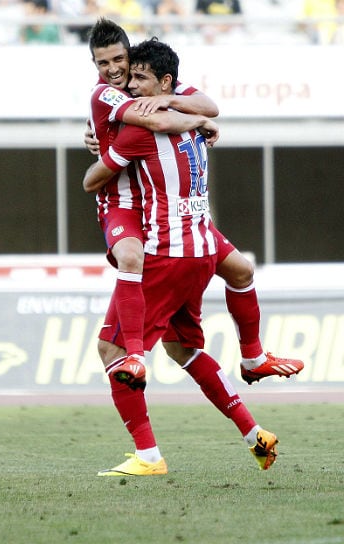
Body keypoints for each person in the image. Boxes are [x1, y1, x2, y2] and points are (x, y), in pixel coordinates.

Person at [83, 37, 279, 476]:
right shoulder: (154, 106)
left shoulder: (146, 123)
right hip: (201, 245)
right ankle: (254, 429)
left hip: (161, 241)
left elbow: (93, 179)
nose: (124, 78)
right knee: (185, 344)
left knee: (111, 345)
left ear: (162, 79)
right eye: (111, 65)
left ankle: (148, 453)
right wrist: (191, 120)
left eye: (131, 69)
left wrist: (108, 150)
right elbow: (205, 110)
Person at [84, 18, 304, 385]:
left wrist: (178, 105)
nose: (113, 70)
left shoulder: (155, 81)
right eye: (102, 64)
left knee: (242, 271)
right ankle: (135, 355)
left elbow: (210, 105)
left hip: (184, 217)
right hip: (126, 202)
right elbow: (140, 132)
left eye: (118, 60)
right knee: (130, 258)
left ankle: (253, 358)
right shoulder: (107, 93)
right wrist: (196, 119)